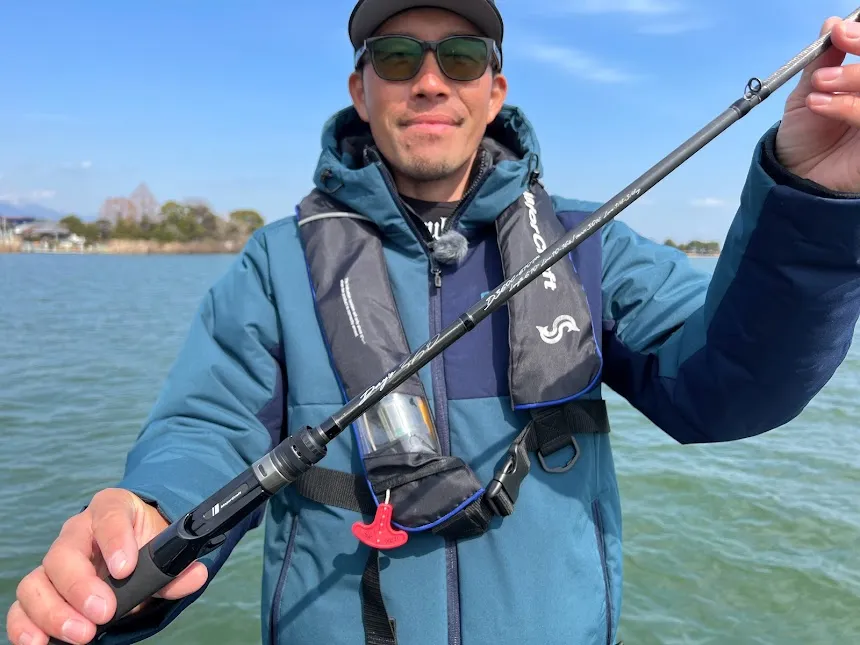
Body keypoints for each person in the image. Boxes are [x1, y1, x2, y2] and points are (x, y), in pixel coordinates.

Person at [8, 1, 860, 644]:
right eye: (395, 55)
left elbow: (731, 385)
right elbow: (208, 425)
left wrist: (814, 200)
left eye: (460, 55)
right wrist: (147, 516)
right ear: (360, 88)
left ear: (494, 90)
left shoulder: (591, 245)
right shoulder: (274, 263)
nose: (429, 80)